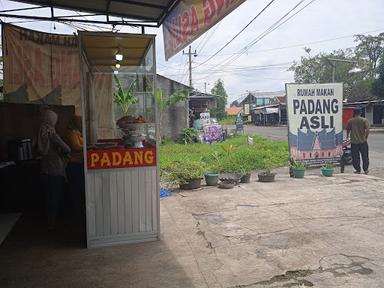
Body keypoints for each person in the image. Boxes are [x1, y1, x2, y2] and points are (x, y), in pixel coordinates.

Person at [38, 108, 71, 229]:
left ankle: (49, 222)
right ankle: (52, 224)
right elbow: (67, 148)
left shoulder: (40, 130)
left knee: (48, 197)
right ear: (52, 120)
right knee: (54, 197)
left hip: (45, 168)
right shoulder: (51, 132)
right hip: (55, 169)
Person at [65, 115, 85, 217]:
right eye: (79, 122)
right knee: (76, 189)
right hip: (74, 164)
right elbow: (76, 147)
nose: (81, 123)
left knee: (80, 189)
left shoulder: (78, 133)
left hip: (79, 164)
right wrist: (87, 146)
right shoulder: (72, 133)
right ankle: (76, 214)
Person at [346, 107, 370, 174]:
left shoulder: (350, 121)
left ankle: (358, 170)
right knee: (365, 156)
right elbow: (367, 130)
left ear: (354, 113)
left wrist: (347, 136)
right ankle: (366, 170)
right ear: (360, 112)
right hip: (363, 142)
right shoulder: (364, 120)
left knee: (355, 157)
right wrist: (366, 137)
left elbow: (348, 129)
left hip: (354, 142)